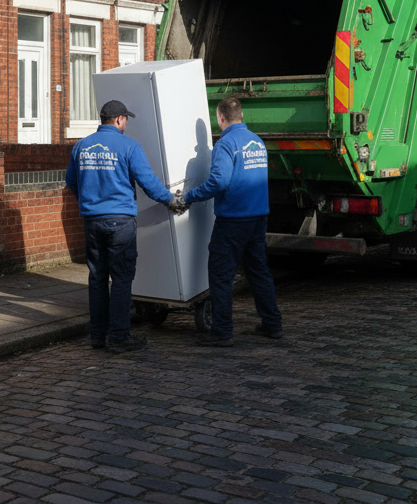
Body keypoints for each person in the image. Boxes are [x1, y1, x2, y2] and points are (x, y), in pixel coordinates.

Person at [65, 99, 182, 353]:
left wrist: (90, 202)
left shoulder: (81, 147)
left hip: (92, 221)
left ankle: (98, 336)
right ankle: (118, 337)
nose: (126, 122)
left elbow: (71, 182)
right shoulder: (129, 146)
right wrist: (170, 200)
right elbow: (148, 182)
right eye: (126, 118)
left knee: (97, 279)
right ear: (118, 119)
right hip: (120, 223)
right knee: (120, 279)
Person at [182, 97, 283, 346]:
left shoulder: (226, 144)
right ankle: (272, 324)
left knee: (220, 275)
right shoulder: (257, 142)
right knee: (259, 272)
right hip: (258, 219)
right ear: (241, 115)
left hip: (232, 222)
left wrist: (191, 196)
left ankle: (222, 331)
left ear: (221, 118)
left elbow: (219, 182)